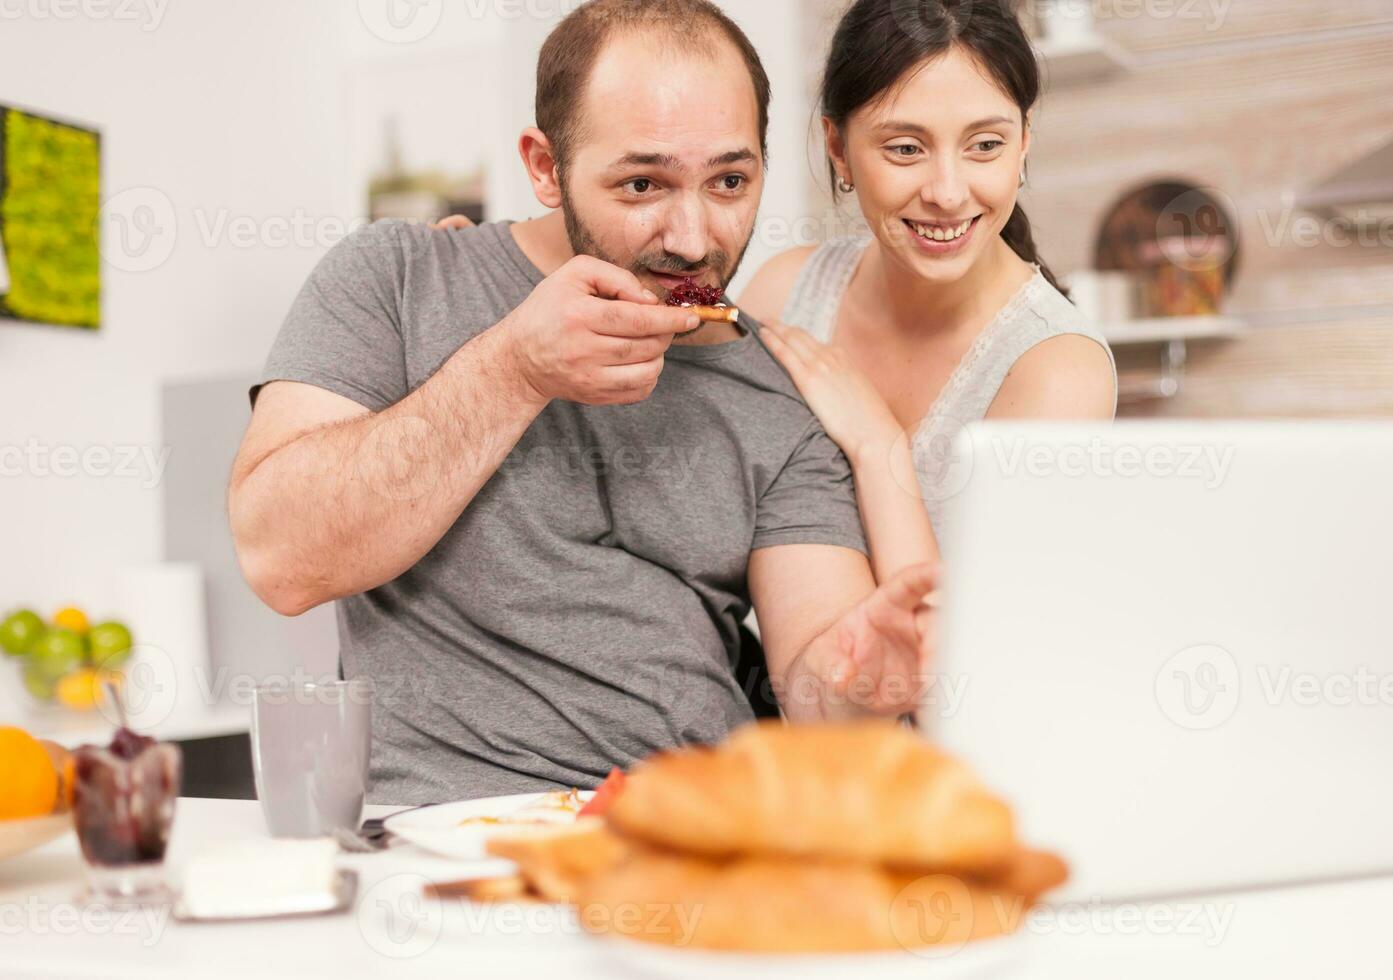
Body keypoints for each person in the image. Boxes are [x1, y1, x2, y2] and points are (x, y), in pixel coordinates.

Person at [229, 0, 939, 805]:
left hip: (681, 838)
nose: (693, 236)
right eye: (642, 183)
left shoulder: (780, 392)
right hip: (436, 840)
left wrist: (863, 677)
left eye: (731, 182)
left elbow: (821, 702)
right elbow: (278, 559)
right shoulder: (395, 279)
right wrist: (516, 369)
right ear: (544, 166)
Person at [741, 0, 1118, 577]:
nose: (946, 192)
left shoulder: (1057, 370)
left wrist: (878, 444)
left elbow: (976, 639)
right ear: (838, 148)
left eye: (985, 145)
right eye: (906, 149)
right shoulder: (784, 294)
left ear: (1023, 144)